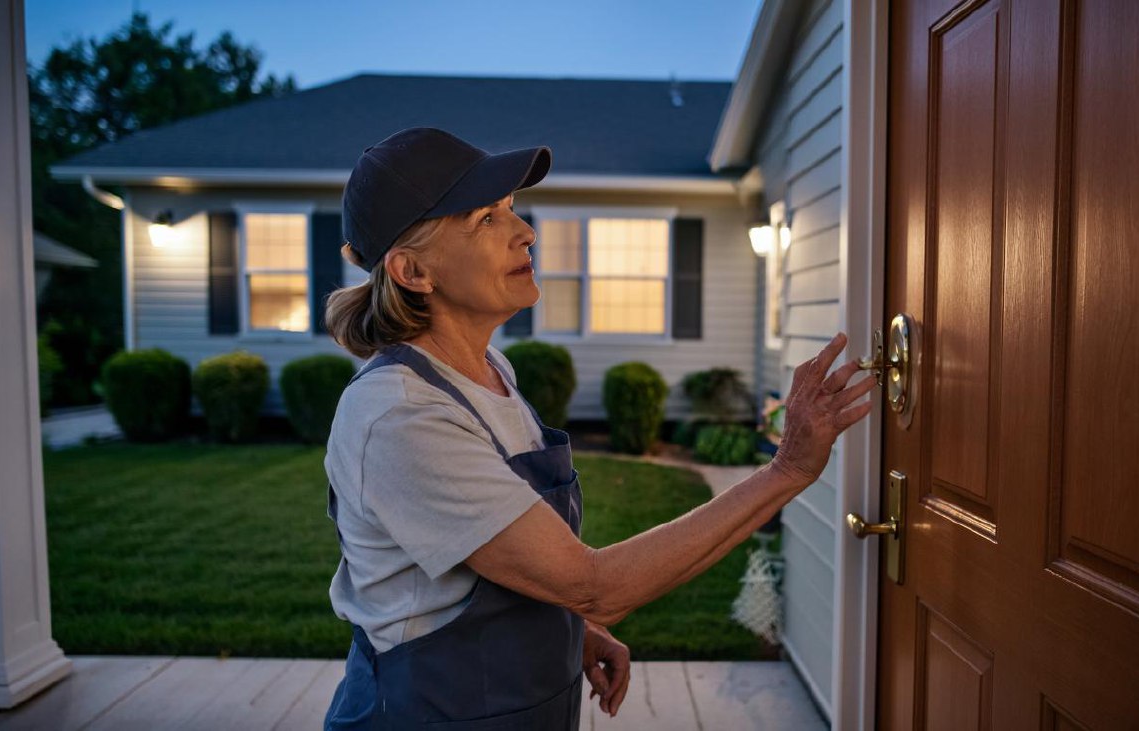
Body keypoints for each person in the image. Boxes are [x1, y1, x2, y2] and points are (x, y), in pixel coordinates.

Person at [321, 127, 876, 730]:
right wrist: (787, 470)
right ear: (413, 271)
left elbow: (502, 560)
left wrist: (570, 630)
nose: (525, 231)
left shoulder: (489, 371)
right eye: (485, 218)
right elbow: (594, 584)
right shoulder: (402, 415)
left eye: (511, 209)